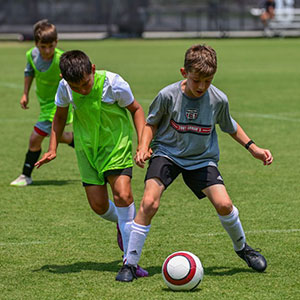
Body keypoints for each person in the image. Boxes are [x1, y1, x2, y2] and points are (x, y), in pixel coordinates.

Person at [116, 44, 273, 282]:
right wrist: (143, 146)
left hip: (201, 159)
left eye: (208, 81)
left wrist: (254, 148)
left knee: (224, 204)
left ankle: (243, 248)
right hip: (167, 153)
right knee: (149, 202)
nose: (201, 86)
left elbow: (229, 125)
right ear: (184, 72)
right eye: (196, 79)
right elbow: (151, 123)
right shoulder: (168, 95)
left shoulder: (218, 99)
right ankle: (130, 263)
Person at [35, 50, 148, 277]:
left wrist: (141, 144)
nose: (83, 90)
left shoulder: (113, 83)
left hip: (116, 145)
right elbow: (59, 118)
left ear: (93, 69)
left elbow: (136, 110)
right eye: (77, 87)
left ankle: (130, 262)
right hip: (87, 151)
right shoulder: (65, 88)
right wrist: (52, 148)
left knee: (123, 195)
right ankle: (123, 222)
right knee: (98, 206)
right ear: (64, 79)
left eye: (86, 84)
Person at [10, 19, 73, 187]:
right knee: (59, 137)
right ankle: (75, 140)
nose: (47, 51)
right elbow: (29, 71)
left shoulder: (61, 59)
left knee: (35, 139)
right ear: (36, 44)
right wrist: (25, 94)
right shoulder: (31, 55)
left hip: (59, 105)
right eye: (43, 47)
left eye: (51, 46)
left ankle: (25, 175)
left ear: (56, 42)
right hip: (45, 104)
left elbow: (74, 80)